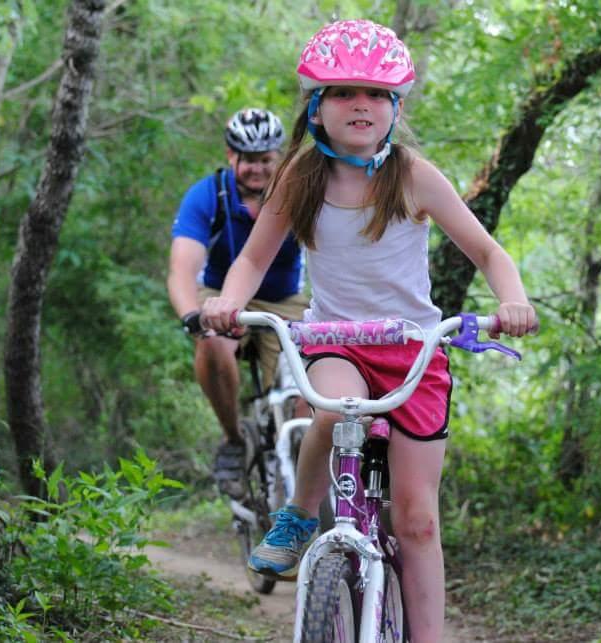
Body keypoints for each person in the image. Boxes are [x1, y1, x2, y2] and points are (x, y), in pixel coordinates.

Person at [201, 21, 536, 642]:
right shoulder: (300, 178)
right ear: (317, 107)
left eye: (378, 94)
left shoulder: (413, 177)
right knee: (333, 411)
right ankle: (301, 514)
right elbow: (250, 260)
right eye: (345, 91)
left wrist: (512, 300)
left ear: (395, 107)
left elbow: (491, 255)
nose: (362, 104)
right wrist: (228, 302)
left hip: (413, 352)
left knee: (417, 521)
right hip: (336, 340)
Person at [167, 108, 307, 499]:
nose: (258, 169)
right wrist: (192, 316)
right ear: (232, 157)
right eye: (248, 160)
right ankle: (233, 440)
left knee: (307, 387)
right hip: (220, 296)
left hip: (286, 298)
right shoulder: (207, 196)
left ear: (279, 157)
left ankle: (301, 467)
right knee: (211, 342)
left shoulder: (297, 192)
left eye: (266, 159)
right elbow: (182, 269)